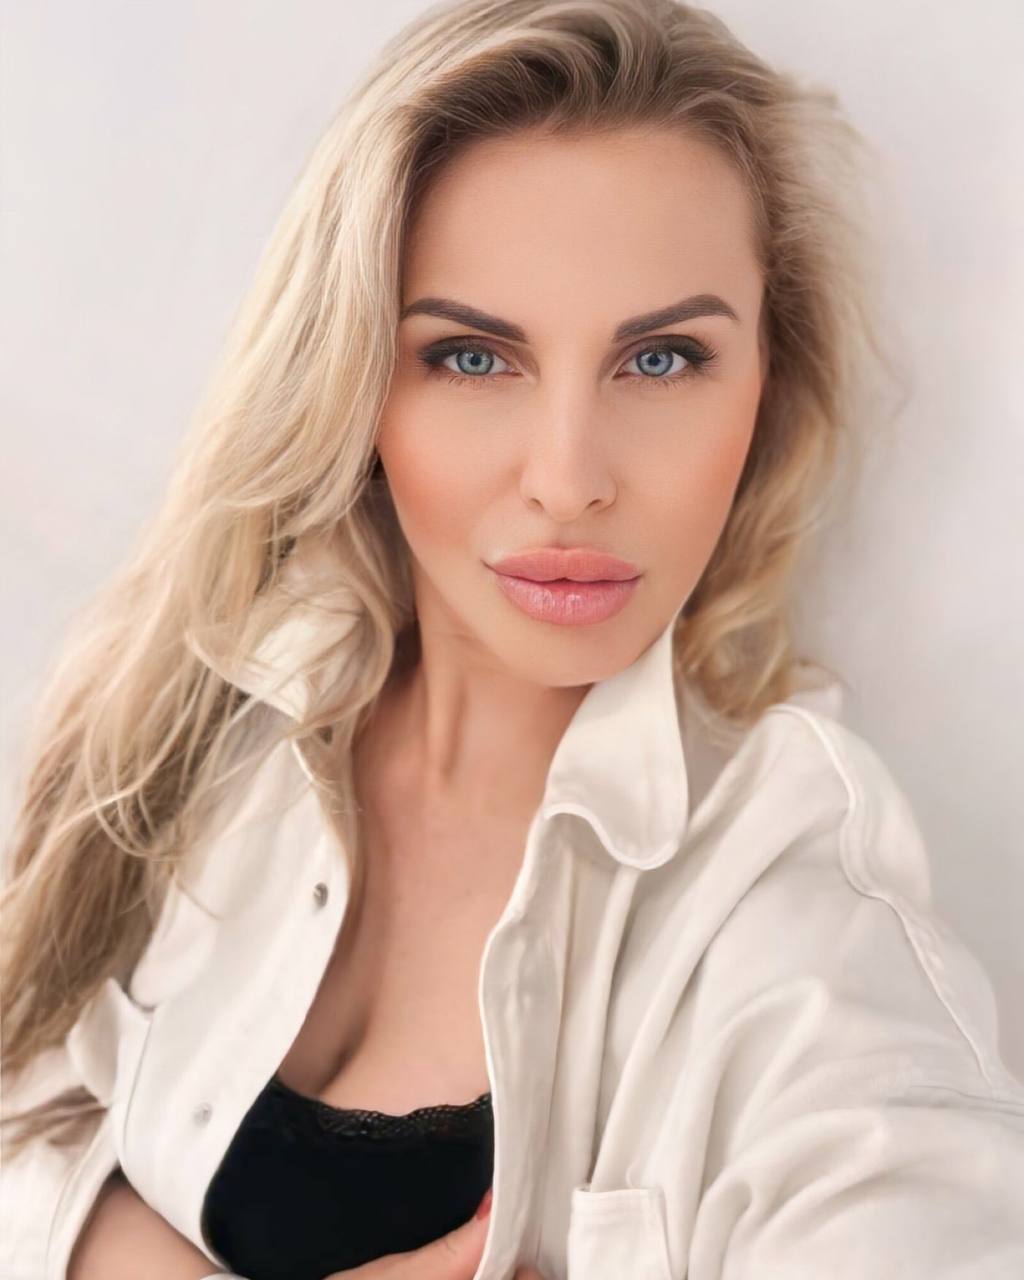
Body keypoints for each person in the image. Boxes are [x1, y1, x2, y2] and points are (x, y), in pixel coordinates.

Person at [3, 0, 1023, 1277]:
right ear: (356, 381)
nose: (568, 480)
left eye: (662, 359)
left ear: (768, 387)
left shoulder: (800, 926)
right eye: (474, 358)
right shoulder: (202, 719)